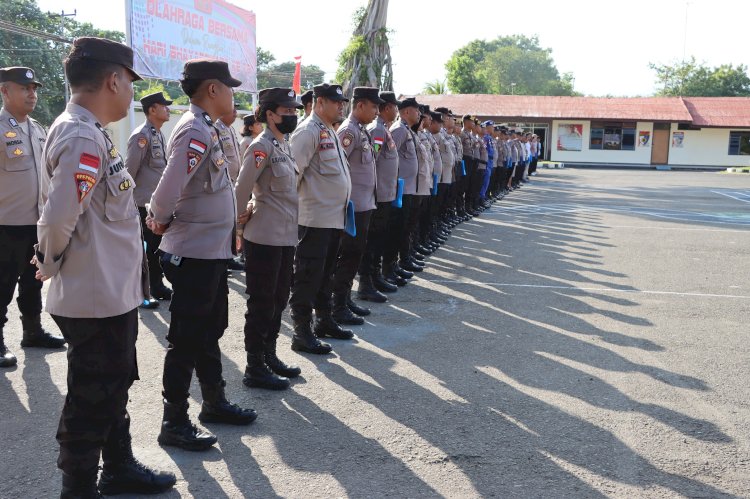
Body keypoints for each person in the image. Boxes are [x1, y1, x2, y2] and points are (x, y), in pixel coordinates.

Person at [34, 37, 175, 497]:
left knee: (112, 384)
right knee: (92, 396)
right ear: (114, 79)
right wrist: (49, 262)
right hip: (93, 295)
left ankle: (117, 465)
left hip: (110, 291)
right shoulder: (79, 134)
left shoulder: (92, 130)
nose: (132, 93)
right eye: (130, 83)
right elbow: (58, 216)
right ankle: (77, 486)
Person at [148, 59, 257, 453]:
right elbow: (168, 186)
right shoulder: (194, 130)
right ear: (213, 89)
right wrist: (158, 220)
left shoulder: (209, 127)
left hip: (211, 252)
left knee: (210, 328)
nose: (232, 93)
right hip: (192, 253)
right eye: (228, 87)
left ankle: (213, 401)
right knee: (187, 337)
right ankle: (174, 419)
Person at [235, 87, 303, 390]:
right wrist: (237, 226)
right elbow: (241, 189)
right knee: (262, 302)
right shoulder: (261, 146)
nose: (292, 116)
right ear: (270, 113)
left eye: (294, 111)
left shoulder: (284, 145)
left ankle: (269, 355)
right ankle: (254, 367)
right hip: (263, 237)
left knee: (278, 299)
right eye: (286, 112)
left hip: (286, 236)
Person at [0, 66, 66, 368]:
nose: (32, 94)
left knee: (33, 280)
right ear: (4, 91)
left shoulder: (39, 129)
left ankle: (32, 331)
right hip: (6, 225)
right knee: (2, 284)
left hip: (36, 223)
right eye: (24, 88)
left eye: (34, 89)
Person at [288, 83, 352, 354]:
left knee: (326, 275)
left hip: (333, 218)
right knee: (308, 276)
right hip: (313, 220)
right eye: (336, 102)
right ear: (320, 102)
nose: (341, 106)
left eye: (342, 103)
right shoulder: (308, 131)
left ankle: (324, 320)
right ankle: (301, 331)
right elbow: (292, 175)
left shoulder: (329, 131)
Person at [331, 87, 385, 326]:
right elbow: (338, 168)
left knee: (355, 254)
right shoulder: (349, 131)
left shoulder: (361, 130)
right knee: (347, 255)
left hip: (364, 204)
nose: (377, 112)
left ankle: (345, 298)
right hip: (352, 207)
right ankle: (337, 305)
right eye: (373, 107)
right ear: (360, 105)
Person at [125, 91, 173, 310]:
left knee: (155, 249)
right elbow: (130, 172)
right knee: (144, 251)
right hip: (142, 204)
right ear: (152, 110)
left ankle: (156, 286)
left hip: (155, 204)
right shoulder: (141, 136)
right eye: (164, 106)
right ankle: (142, 292)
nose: (168, 109)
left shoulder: (158, 134)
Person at [362, 91, 402, 290]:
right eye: (396, 107)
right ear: (388, 108)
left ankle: (375, 276)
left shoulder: (384, 129)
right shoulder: (377, 130)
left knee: (379, 238)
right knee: (374, 240)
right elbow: (373, 162)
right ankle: (368, 281)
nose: (397, 111)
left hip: (385, 194)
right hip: (378, 195)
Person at [388, 97, 422, 275]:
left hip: (408, 188)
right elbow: (389, 158)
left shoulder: (407, 130)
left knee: (405, 227)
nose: (419, 114)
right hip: (400, 189)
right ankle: (392, 266)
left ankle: (401, 262)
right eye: (417, 111)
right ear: (407, 111)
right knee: (397, 230)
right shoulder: (399, 130)